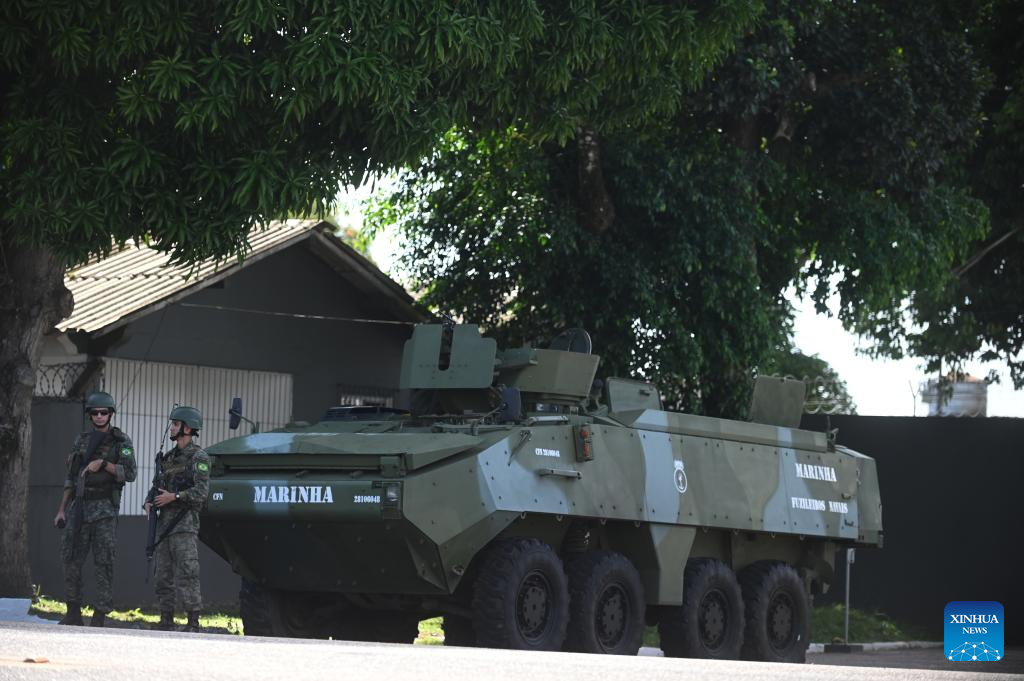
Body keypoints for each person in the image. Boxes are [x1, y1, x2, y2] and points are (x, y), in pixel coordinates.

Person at [53, 391, 137, 627]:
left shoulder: (121, 441)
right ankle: (73, 611)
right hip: (79, 507)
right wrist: (62, 509)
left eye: (104, 412)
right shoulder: (81, 441)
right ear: (89, 415)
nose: (99, 416)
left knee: (104, 562)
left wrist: (104, 464)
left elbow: (130, 473)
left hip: (104, 511)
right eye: (95, 413)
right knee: (70, 558)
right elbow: (71, 478)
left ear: (111, 414)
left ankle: (100, 615)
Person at [144, 406, 210, 632]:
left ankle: (193, 622)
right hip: (164, 527)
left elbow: (201, 493)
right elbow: (156, 486)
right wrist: (149, 501)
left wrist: (175, 497)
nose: (171, 428)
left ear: (187, 428)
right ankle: (166, 620)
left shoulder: (199, 457)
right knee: (162, 576)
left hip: (184, 525)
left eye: (175, 424)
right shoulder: (168, 458)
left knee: (188, 573)